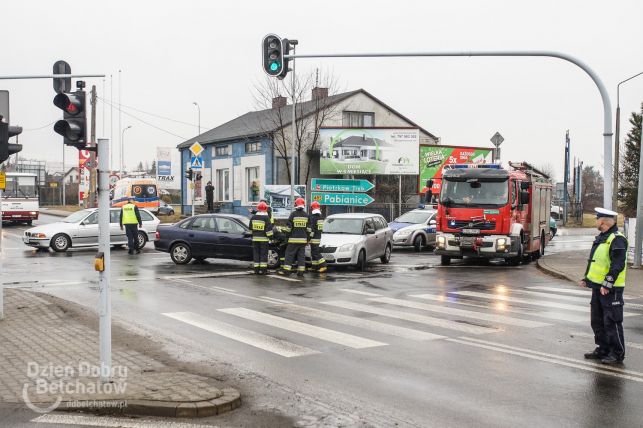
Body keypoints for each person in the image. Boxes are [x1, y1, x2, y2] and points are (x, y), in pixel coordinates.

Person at [579, 207, 628, 364]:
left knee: (611, 321)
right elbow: (596, 261)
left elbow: (617, 265)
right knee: (597, 320)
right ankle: (603, 348)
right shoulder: (602, 237)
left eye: (597, 219)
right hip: (598, 287)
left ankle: (617, 353)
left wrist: (607, 284)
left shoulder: (617, 239)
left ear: (603, 221)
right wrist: (587, 279)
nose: (596, 221)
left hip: (611, 289)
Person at [279, 197, 310, 277]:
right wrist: (308, 239)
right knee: (301, 256)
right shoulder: (306, 215)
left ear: (296, 204)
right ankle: (301, 272)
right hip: (303, 241)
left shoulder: (293, 214)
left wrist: (287, 237)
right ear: (303, 205)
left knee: (289, 255)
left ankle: (286, 271)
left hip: (293, 240)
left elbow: (288, 228)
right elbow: (309, 230)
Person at [250, 201, 274, 275]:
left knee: (256, 254)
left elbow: (250, 227)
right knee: (263, 254)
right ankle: (263, 270)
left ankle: (256, 270)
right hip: (264, 239)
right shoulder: (266, 218)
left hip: (255, 239)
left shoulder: (253, 217)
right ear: (265, 209)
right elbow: (269, 230)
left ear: (258, 208)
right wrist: (271, 238)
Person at [308, 201, 327, 273]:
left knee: (316, 253)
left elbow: (311, 230)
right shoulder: (320, 217)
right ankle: (314, 267)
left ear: (312, 208)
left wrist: (308, 238)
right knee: (313, 252)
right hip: (318, 237)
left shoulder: (312, 217)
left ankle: (323, 265)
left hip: (313, 238)